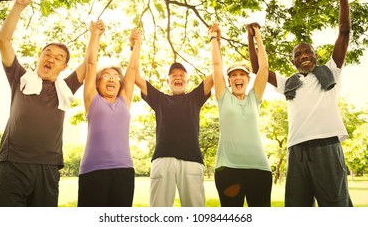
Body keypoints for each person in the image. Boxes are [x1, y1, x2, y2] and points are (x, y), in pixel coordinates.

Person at [248, 0, 353, 207]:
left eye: (308, 52)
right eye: (298, 54)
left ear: (315, 56)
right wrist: (252, 37)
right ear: (293, 61)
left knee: (336, 206)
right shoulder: (289, 82)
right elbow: (258, 70)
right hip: (297, 150)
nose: (303, 55)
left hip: (326, 146)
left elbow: (344, 33)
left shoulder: (330, 72)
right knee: (297, 207)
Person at [0, 0, 86, 207]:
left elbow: (89, 65)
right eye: (47, 54)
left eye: (58, 57)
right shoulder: (20, 78)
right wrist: (18, 7)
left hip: (48, 169)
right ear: (40, 58)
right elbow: (3, 40)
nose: (51, 58)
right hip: (12, 166)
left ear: (64, 67)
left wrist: (95, 35)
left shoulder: (66, 87)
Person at [134, 53, 213, 207]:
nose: (178, 77)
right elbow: (135, 76)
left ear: (187, 80)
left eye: (182, 75)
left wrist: (215, 40)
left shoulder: (195, 98)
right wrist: (134, 46)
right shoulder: (160, 99)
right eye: (174, 75)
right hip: (163, 159)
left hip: (192, 160)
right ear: (168, 81)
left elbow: (216, 73)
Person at [77, 23, 142, 207]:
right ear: (97, 84)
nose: (112, 78)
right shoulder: (92, 99)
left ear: (120, 84)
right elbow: (91, 63)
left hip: (124, 170)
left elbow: (131, 70)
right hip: (93, 170)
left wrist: (137, 43)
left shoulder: (124, 101)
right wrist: (95, 35)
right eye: (106, 76)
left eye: (115, 76)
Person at [209, 23, 272, 207]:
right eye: (234, 75)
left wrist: (257, 35)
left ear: (247, 79)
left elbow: (264, 69)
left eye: (242, 75)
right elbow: (216, 64)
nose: (238, 78)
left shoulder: (254, 98)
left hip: (259, 168)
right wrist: (214, 38)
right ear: (229, 81)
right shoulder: (223, 97)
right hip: (228, 169)